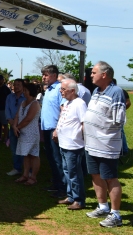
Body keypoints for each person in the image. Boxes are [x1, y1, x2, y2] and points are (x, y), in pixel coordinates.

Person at [84, 62, 126, 228]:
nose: (91, 75)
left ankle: (115, 215)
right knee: (95, 175)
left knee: (110, 178)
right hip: (91, 144)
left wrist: (103, 133)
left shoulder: (116, 92)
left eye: (94, 72)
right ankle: (102, 206)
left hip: (106, 145)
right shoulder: (96, 91)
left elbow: (119, 120)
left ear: (104, 75)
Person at [54, 78, 87, 211]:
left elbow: (84, 123)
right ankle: (71, 196)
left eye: (63, 89)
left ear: (72, 91)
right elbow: (62, 119)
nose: (61, 91)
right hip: (64, 143)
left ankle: (79, 199)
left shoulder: (79, 104)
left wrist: (85, 141)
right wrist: (57, 131)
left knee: (74, 173)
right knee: (67, 170)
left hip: (73, 145)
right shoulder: (68, 103)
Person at [40, 65, 65, 198]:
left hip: (55, 130)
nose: (44, 77)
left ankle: (62, 188)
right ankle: (56, 183)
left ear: (54, 75)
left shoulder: (59, 89)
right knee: (50, 158)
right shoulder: (48, 90)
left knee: (57, 159)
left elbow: (63, 110)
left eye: (46, 75)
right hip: (46, 128)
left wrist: (57, 129)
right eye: (43, 75)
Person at [12, 82, 41, 186]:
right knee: (26, 155)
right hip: (22, 133)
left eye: (25, 90)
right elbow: (17, 116)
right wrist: (14, 126)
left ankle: (33, 177)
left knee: (33, 155)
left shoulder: (35, 104)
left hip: (31, 133)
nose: (24, 92)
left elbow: (28, 118)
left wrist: (17, 127)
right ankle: (25, 175)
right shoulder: (23, 102)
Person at [5, 79, 25, 176]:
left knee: (25, 148)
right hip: (12, 126)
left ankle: (27, 170)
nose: (16, 86)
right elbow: (7, 110)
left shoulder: (26, 97)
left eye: (18, 84)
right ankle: (17, 168)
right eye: (15, 84)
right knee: (14, 148)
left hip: (24, 126)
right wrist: (11, 122)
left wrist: (19, 124)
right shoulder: (9, 97)